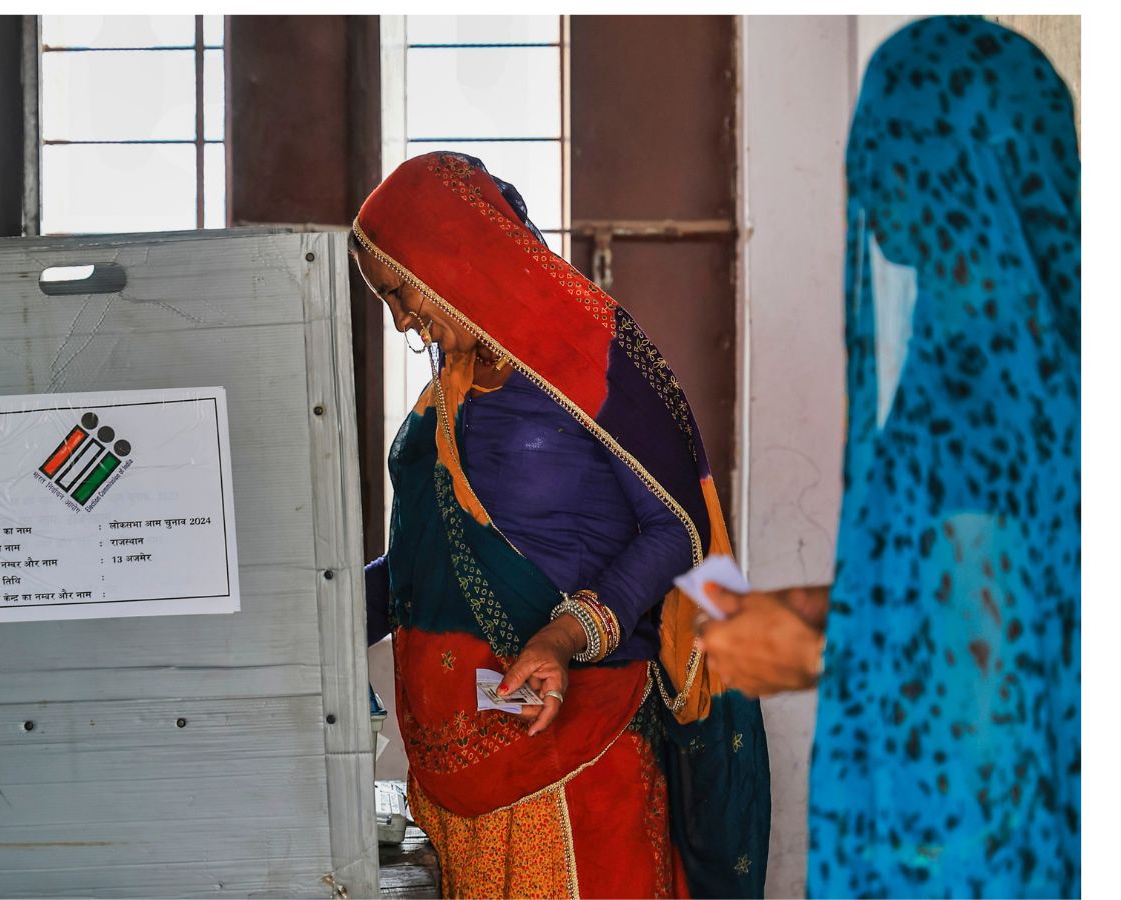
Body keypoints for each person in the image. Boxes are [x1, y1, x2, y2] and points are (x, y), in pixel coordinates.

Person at [696, 16, 1079, 897]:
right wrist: (827, 606)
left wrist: (811, 651)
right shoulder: (1033, 346)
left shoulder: (980, 383)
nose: (868, 172)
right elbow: (990, 585)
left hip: (966, 855)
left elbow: (985, 696)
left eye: (893, 139)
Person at [355, 150, 770, 898]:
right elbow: (425, 564)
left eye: (399, 291)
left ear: (453, 256)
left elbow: (676, 529)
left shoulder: (596, 361)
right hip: (459, 776)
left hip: (577, 756)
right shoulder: (443, 398)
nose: (401, 319)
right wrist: (322, 617)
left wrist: (564, 633)